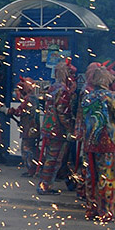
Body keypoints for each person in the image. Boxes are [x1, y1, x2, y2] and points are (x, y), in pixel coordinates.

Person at [75, 66, 115, 222]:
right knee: (106, 177)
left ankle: (91, 209)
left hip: (90, 143)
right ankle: (105, 211)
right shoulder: (112, 97)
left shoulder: (87, 97)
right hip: (108, 143)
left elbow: (80, 120)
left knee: (91, 177)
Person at [37, 59, 77, 195]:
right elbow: (62, 111)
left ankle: (60, 183)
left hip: (49, 128)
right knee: (54, 159)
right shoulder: (63, 90)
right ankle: (45, 186)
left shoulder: (53, 87)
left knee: (52, 158)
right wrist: (70, 129)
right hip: (58, 130)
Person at [8, 77, 41, 177]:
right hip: (33, 127)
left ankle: (32, 169)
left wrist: (10, 111)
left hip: (29, 128)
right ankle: (36, 168)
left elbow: (20, 111)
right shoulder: (33, 97)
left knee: (27, 149)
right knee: (32, 148)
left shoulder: (28, 99)